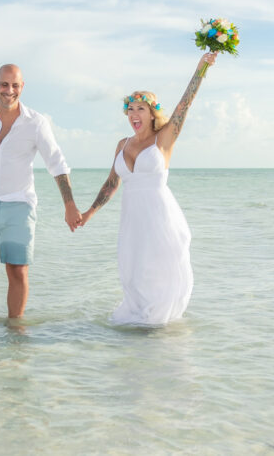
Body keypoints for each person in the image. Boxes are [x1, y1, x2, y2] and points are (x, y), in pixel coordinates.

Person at [79, 52, 217, 325]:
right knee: (133, 271)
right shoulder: (122, 144)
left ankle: (157, 328)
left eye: (140, 108)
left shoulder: (164, 138)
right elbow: (111, 183)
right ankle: (141, 325)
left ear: (152, 113)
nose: (134, 114)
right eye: (130, 109)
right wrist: (89, 213)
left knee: (159, 269)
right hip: (132, 217)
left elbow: (184, 106)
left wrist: (200, 69)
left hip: (159, 215)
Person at [0, 63, 81, 320]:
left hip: (19, 205)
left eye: (14, 85)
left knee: (17, 271)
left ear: (22, 87)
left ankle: (15, 329)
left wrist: (69, 204)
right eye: (4, 84)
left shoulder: (36, 122)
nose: (9, 90)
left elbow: (55, 162)